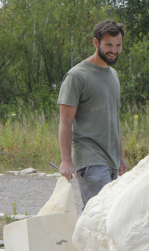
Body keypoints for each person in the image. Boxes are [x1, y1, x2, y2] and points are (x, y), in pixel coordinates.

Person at [57, 19, 129, 210]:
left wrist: (120, 157)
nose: (114, 50)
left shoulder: (113, 75)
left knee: (109, 214)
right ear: (96, 43)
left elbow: (114, 119)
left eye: (118, 45)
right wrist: (66, 161)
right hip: (90, 159)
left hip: (111, 159)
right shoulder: (77, 76)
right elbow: (65, 122)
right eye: (109, 45)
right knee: (101, 213)